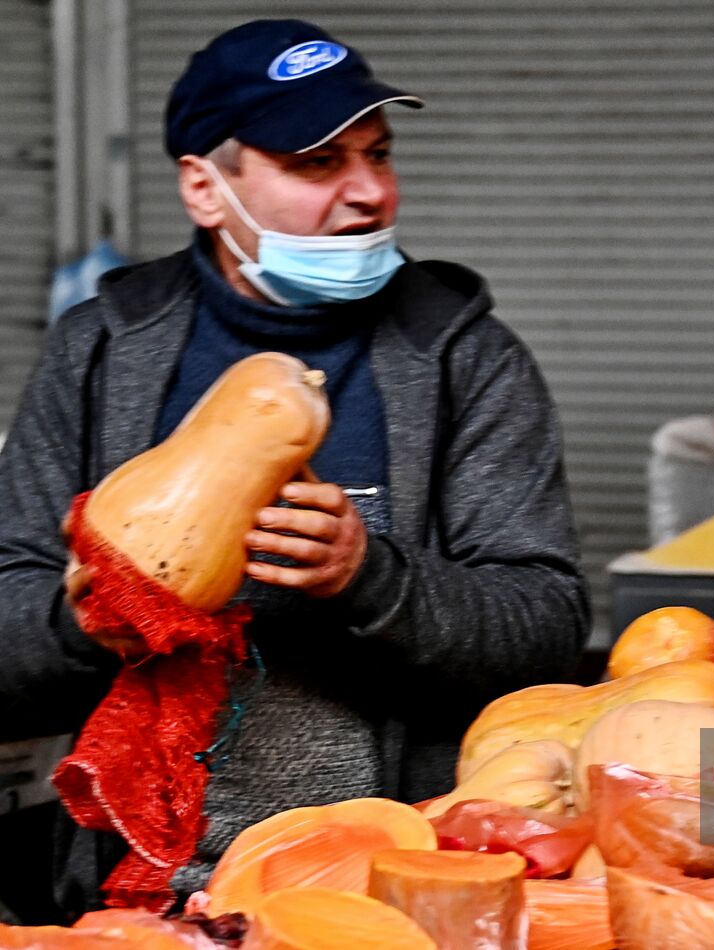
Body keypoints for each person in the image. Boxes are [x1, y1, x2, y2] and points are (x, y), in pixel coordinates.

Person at [0, 19, 590, 915]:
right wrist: (85, 625)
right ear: (207, 187)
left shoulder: (465, 358)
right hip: (141, 892)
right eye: (318, 164)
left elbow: (546, 627)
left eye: (380, 156)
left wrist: (371, 579)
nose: (370, 195)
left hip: (390, 890)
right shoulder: (101, 353)